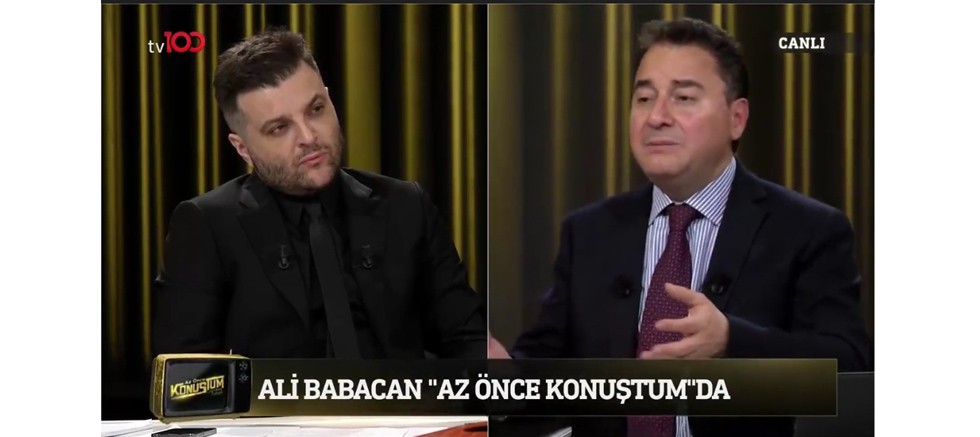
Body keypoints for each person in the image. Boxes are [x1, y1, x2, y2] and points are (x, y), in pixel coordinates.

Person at [488, 18, 871, 436]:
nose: (656, 117)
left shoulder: (807, 229)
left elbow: (849, 370)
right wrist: (507, 379)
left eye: (684, 97)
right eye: (644, 98)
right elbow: (548, 370)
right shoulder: (590, 232)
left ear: (737, 118)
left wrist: (733, 342)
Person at [152, 29, 486, 360]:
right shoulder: (208, 226)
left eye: (315, 109)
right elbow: (185, 376)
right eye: (279, 128)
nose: (309, 137)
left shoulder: (405, 206)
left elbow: (467, 339)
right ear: (243, 148)